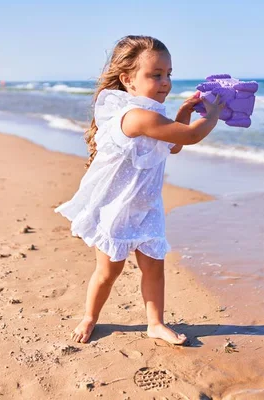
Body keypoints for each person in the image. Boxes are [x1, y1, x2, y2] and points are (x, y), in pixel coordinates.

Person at [54, 35, 224, 345]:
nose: (165, 82)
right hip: (116, 208)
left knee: (154, 267)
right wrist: (213, 114)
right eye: (155, 75)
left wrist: (184, 112)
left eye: (169, 74)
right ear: (128, 80)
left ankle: (155, 323)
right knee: (108, 271)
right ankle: (90, 317)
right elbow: (189, 137)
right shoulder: (135, 116)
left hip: (145, 206)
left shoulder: (149, 114)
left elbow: (172, 146)